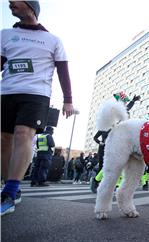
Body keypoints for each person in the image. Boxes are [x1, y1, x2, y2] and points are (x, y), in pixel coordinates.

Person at [1, 0, 75, 216]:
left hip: (36, 94)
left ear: (31, 7)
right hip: (6, 92)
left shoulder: (52, 40)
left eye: (16, 0)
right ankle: (9, 187)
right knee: (3, 140)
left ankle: (10, 192)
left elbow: (63, 71)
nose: (9, 3)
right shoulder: (4, 35)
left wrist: (67, 100)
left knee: (23, 134)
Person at [90, 92, 140, 193]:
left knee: (121, 161)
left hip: (122, 139)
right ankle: (96, 180)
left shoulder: (122, 114)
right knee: (111, 163)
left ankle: (116, 185)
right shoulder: (114, 112)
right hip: (112, 140)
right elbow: (124, 109)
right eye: (123, 102)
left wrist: (133, 101)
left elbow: (126, 109)